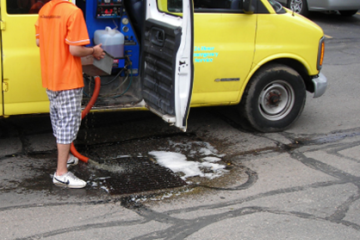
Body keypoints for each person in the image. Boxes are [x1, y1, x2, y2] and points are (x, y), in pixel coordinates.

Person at [35, 0, 105, 188]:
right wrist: (94, 51)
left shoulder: (45, 10)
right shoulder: (73, 12)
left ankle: (64, 160)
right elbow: (75, 49)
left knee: (58, 120)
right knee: (67, 123)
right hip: (67, 79)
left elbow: (39, 42)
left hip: (50, 77)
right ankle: (61, 173)